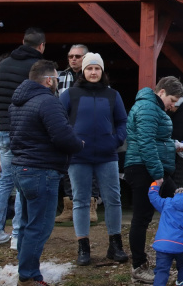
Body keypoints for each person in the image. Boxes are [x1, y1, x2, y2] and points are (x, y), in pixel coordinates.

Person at [9, 60, 84, 285]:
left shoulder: (17, 102)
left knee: (25, 224)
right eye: (56, 80)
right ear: (49, 80)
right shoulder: (48, 102)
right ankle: (28, 276)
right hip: (41, 171)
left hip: (21, 168)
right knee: (39, 227)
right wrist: (79, 144)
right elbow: (62, 136)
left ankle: (29, 272)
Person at [59, 53, 129, 265]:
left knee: (113, 199)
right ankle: (83, 247)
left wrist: (115, 141)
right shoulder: (69, 94)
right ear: (83, 71)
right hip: (79, 157)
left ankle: (115, 245)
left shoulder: (113, 95)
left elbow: (122, 122)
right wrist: (72, 143)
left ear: (102, 71)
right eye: (89, 68)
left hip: (107, 156)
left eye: (97, 68)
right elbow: (59, 121)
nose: (93, 72)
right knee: (80, 200)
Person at [0, 27, 44, 249]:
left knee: (6, 180)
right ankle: (18, 235)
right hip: (26, 130)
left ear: (22, 41)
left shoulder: (5, 64)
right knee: (22, 183)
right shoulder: (37, 67)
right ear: (41, 46)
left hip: (4, 130)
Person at [124, 76, 183, 284]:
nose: (173, 105)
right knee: (142, 218)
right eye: (173, 99)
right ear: (161, 93)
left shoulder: (154, 108)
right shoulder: (148, 108)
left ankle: (181, 249)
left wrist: (173, 144)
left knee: (178, 204)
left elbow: (156, 139)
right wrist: (158, 174)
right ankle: (139, 267)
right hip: (144, 169)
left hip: (150, 167)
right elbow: (146, 142)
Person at [56, 44, 100, 224]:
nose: (73, 59)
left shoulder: (94, 75)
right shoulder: (61, 76)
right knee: (67, 165)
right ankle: (69, 206)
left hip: (90, 128)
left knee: (91, 165)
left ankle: (91, 205)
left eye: (77, 56)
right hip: (67, 126)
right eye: (70, 56)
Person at [148, 178, 183, 286]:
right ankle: (182, 282)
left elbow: (154, 198)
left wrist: (154, 186)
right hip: (181, 246)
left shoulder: (168, 203)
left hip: (163, 243)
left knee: (162, 269)